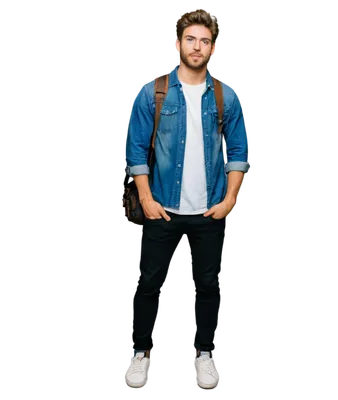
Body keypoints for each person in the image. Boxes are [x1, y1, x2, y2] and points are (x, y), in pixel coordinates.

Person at [122, 7, 251, 391]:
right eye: (190, 39)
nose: (197, 47)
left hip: (210, 212)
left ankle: (206, 356)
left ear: (214, 49)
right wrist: (145, 198)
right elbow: (134, 151)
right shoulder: (154, 91)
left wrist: (230, 200)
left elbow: (239, 152)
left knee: (209, 286)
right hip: (160, 208)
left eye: (205, 41)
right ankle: (141, 354)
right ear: (177, 44)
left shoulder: (226, 96)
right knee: (148, 285)